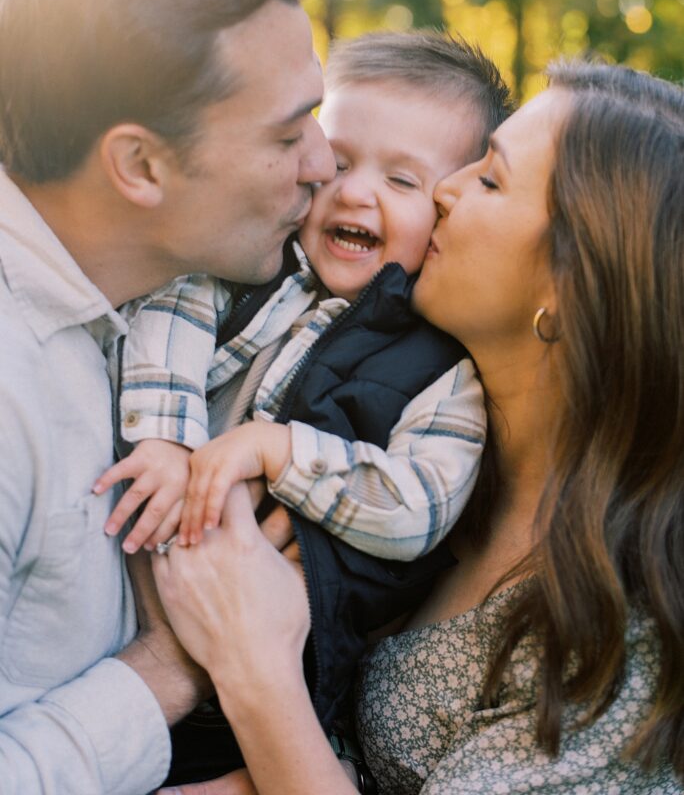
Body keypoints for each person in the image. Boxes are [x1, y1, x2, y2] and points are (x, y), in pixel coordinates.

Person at [153, 60, 684, 794]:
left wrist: (254, 666)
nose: (444, 188)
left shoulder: (617, 648)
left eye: (489, 178)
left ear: (570, 287)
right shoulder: (424, 451)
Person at [95, 31, 512, 786]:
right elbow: (168, 306)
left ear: (449, 212)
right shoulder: (254, 261)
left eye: (403, 181)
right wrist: (166, 438)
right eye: (340, 160)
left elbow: (420, 503)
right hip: (126, 587)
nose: (354, 192)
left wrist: (277, 450)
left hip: (279, 678)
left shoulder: (444, 368)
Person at [0, 0, 336, 794]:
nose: (324, 163)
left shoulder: (150, 299)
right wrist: (175, 670)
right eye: (286, 131)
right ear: (140, 166)